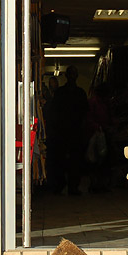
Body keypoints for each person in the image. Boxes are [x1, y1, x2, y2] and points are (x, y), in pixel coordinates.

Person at [50, 66, 88, 195]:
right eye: (71, 74)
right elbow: (54, 113)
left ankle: (71, 186)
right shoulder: (62, 93)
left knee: (74, 161)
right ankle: (61, 185)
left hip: (74, 133)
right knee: (61, 160)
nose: (72, 77)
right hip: (63, 132)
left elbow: (85, 114)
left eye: (74, 74)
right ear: (67, 76)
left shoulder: (79, 93)